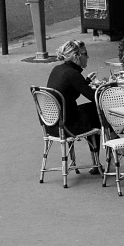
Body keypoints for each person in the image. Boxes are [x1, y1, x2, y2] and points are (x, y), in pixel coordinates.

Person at [46, 39, 102, 174]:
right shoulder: (73, 74)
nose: (87, 57)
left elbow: (69, 91)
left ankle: (101, 161)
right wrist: (107, 89)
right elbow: (94, 97)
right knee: (97, 111)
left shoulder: (58, 69)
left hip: (51, 124)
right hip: (68, 126)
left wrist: (86, 81)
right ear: (76, 56)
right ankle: (118, 154)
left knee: (91, 110)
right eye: (85, 54)